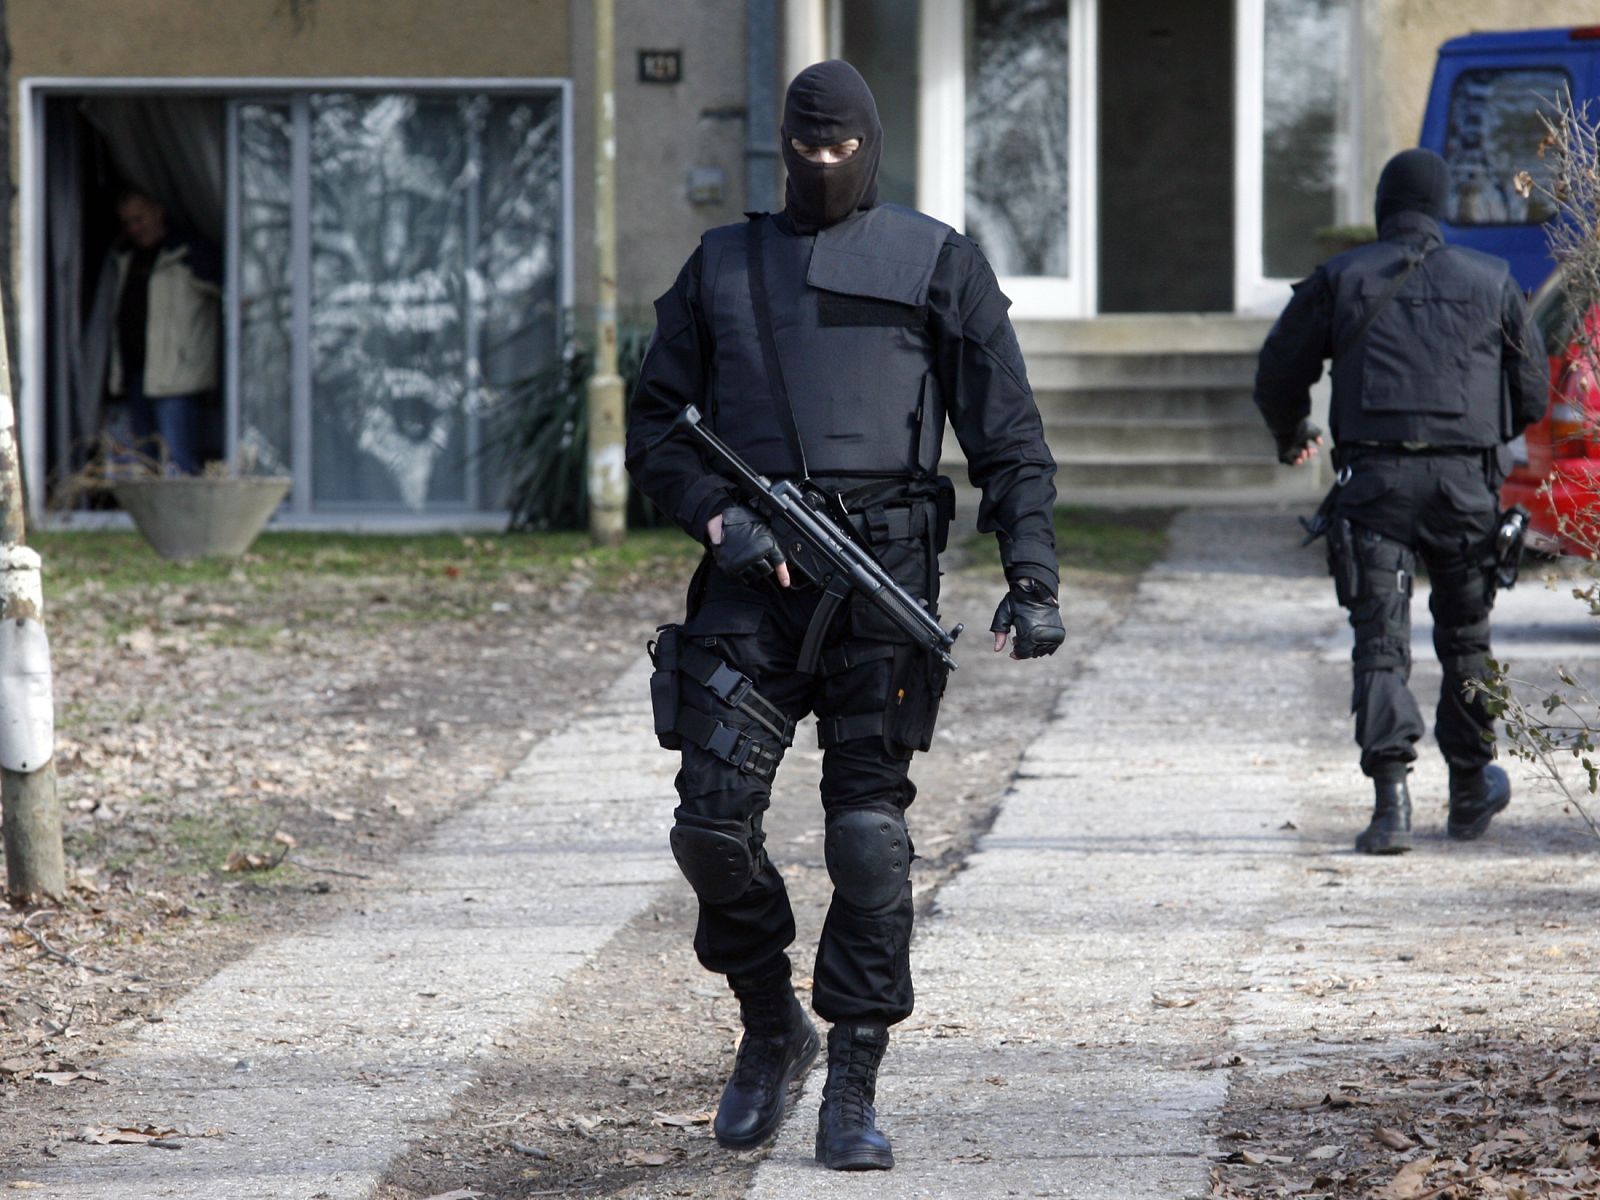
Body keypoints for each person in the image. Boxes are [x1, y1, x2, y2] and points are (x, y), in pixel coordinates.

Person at [626, 60, 1064, 1171]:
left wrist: (1032, 576)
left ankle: (855, 1077)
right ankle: (772, 1024)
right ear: (782, 146)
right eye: (805, 150)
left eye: (843, 150)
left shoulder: (937, 262)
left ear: (869, 145)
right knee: (710, 829)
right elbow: (658, 431)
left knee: (867, 841)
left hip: (884, 583)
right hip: (750, 581)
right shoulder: (721, 265)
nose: (824, 168)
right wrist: (722, 521)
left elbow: (1006, 434)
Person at [1254, 147, 1548, 855]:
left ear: (1385, 207)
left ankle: (1391, 805)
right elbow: (1534, 394)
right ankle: (1472, 787)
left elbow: (1275, 374)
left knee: (1380, 645)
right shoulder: (1494, 280)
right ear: (1442, 207)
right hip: (1464, 488)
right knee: (1466, 640)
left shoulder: (1341, 277)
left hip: (1374, 486)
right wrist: (1475, 437)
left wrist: (1295, 432)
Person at [106, 186, 221, 475]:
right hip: (136, 374)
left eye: (139, 219)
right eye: (128, 222)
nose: (134, 228)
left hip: (177, 377)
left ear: (158, 212)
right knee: (143, 464)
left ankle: (185, 519)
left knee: (177, 463)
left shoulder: (188, 253)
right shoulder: (123, 257)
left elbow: (235, 290)